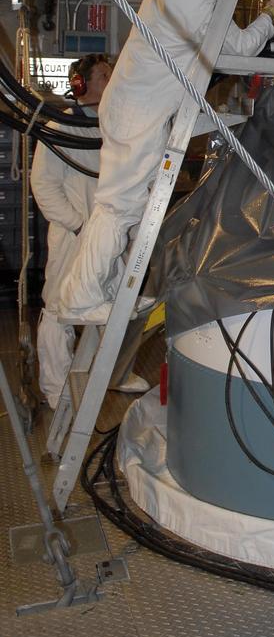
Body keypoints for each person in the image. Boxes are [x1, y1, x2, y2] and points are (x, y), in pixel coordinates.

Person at [58, 0, 274, 323]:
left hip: (127, 105)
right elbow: (240, 48)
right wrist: (272, 10)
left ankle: (104, 288)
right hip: (140, 116)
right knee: (118, 209)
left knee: (120, 207)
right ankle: (80, 299)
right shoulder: (200, 6)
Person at [31, 56, 148, 405]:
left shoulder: (116, 124)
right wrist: (79, 225)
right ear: (80, 84)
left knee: (112, 305)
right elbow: (44, 185)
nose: (113, 79)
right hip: (76, 236)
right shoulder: (61, 127)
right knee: (59, 307)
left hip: (113, 233)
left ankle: (114, 375)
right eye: (104, 75)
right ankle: (56, 389)